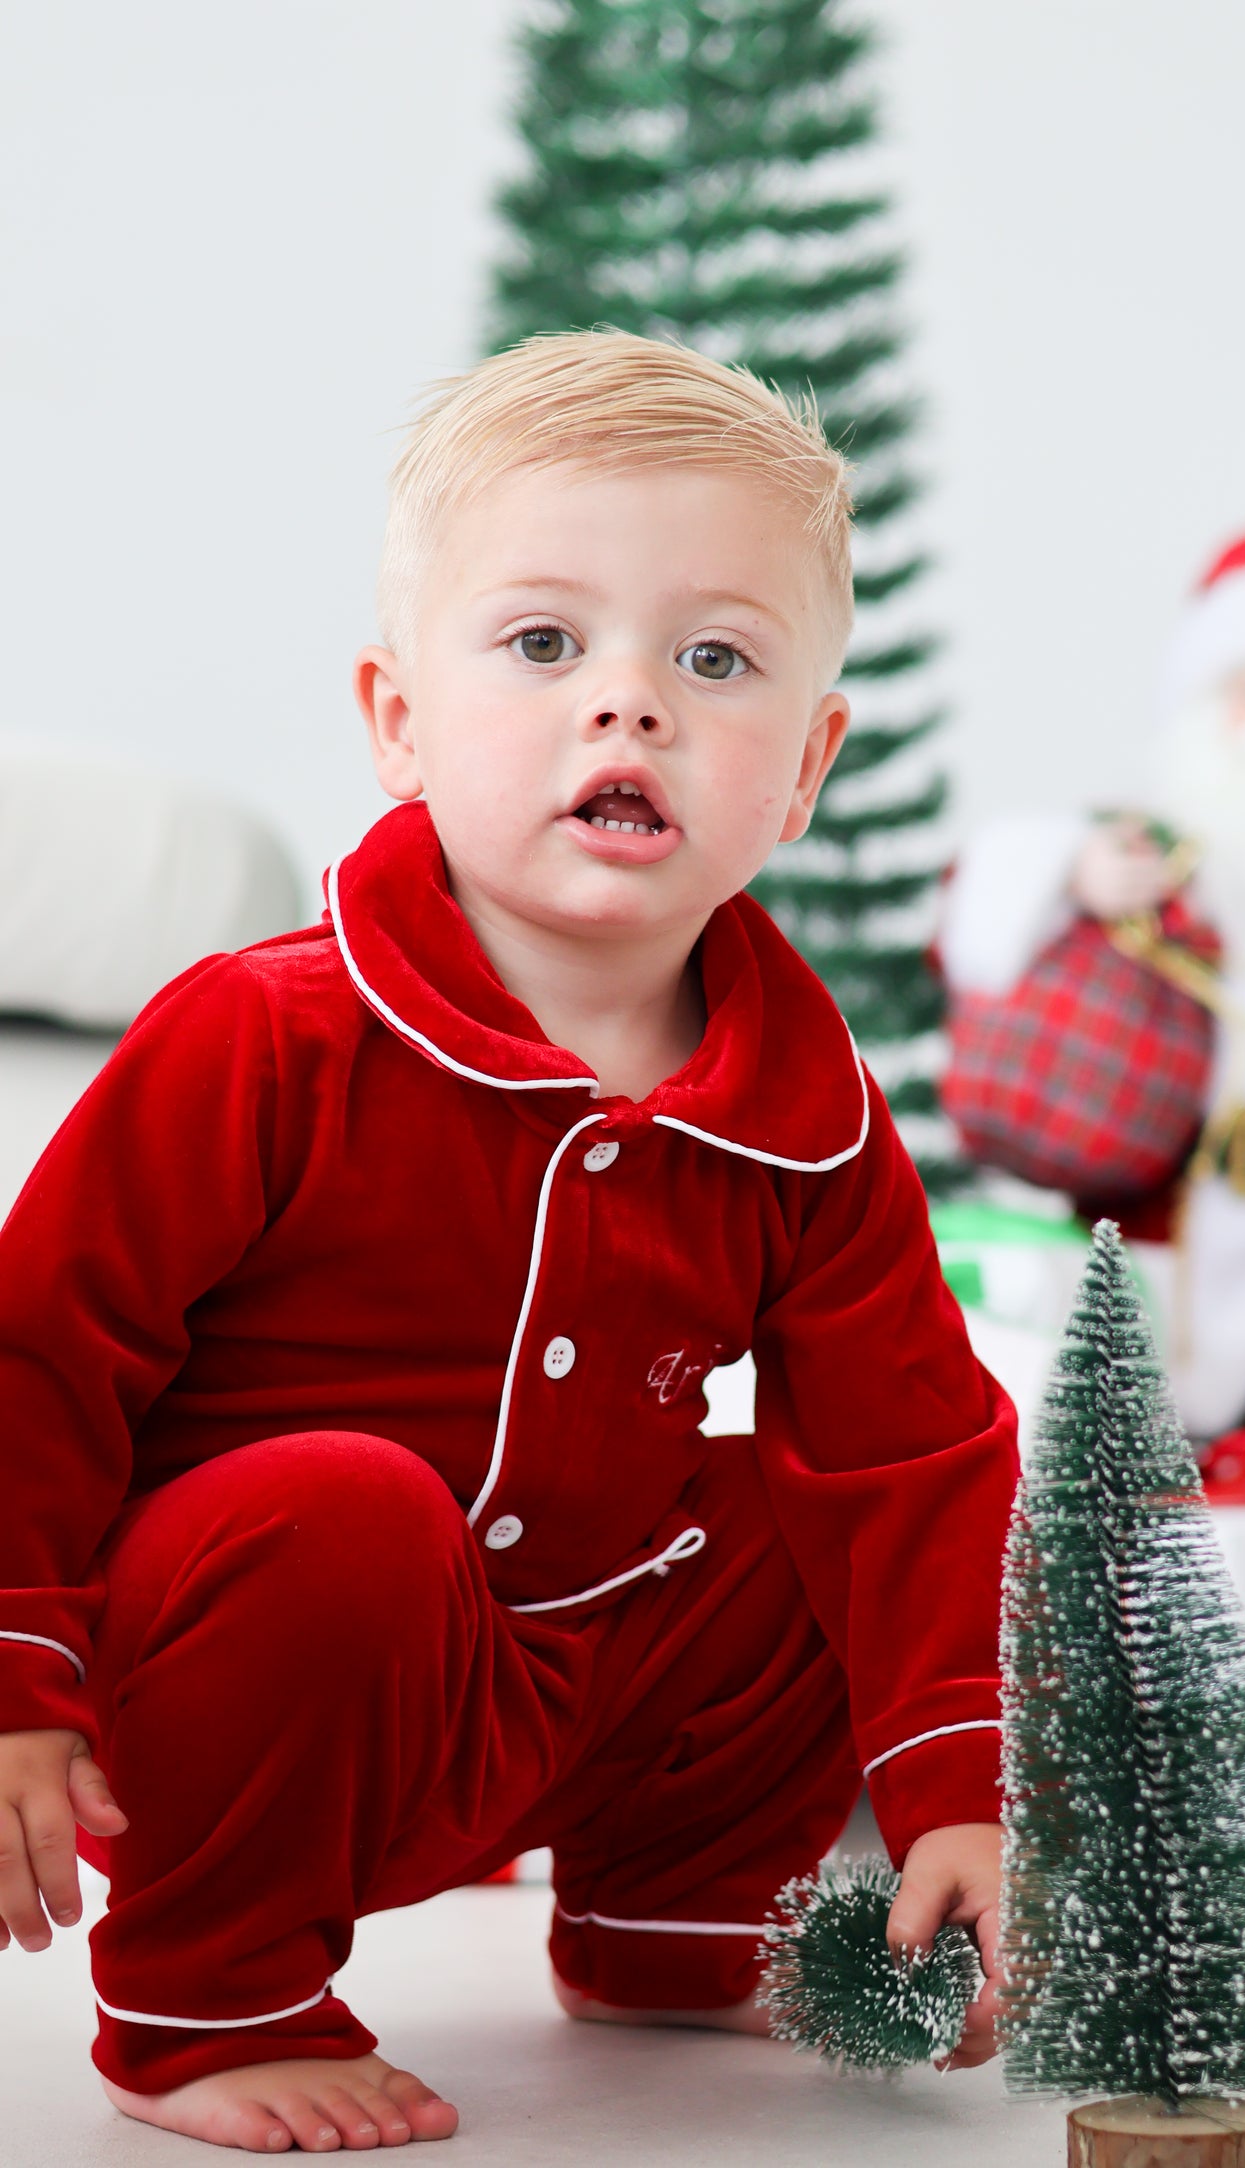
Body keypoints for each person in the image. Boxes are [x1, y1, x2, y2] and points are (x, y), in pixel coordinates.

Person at [0, 331, 1018, 2153]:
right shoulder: (266, 1035)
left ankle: (677, 1918)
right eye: (545, 644)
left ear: (804, 767)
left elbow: (916, 1452)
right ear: (398, 718)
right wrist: (18, 1672)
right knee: (343, 1508)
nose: (628, 707)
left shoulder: (806, 1112)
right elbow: (39, 1346)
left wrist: (959, 1789)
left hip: (571, 1685)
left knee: (801, 1501)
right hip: (256, 1700)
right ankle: (211, 1992)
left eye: (714, 660)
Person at [941, 531, 1245, 1463]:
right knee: (1133, 1450)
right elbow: (975, 916)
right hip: (1187, 1218)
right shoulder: (1156, 862)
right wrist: (1072, 872)